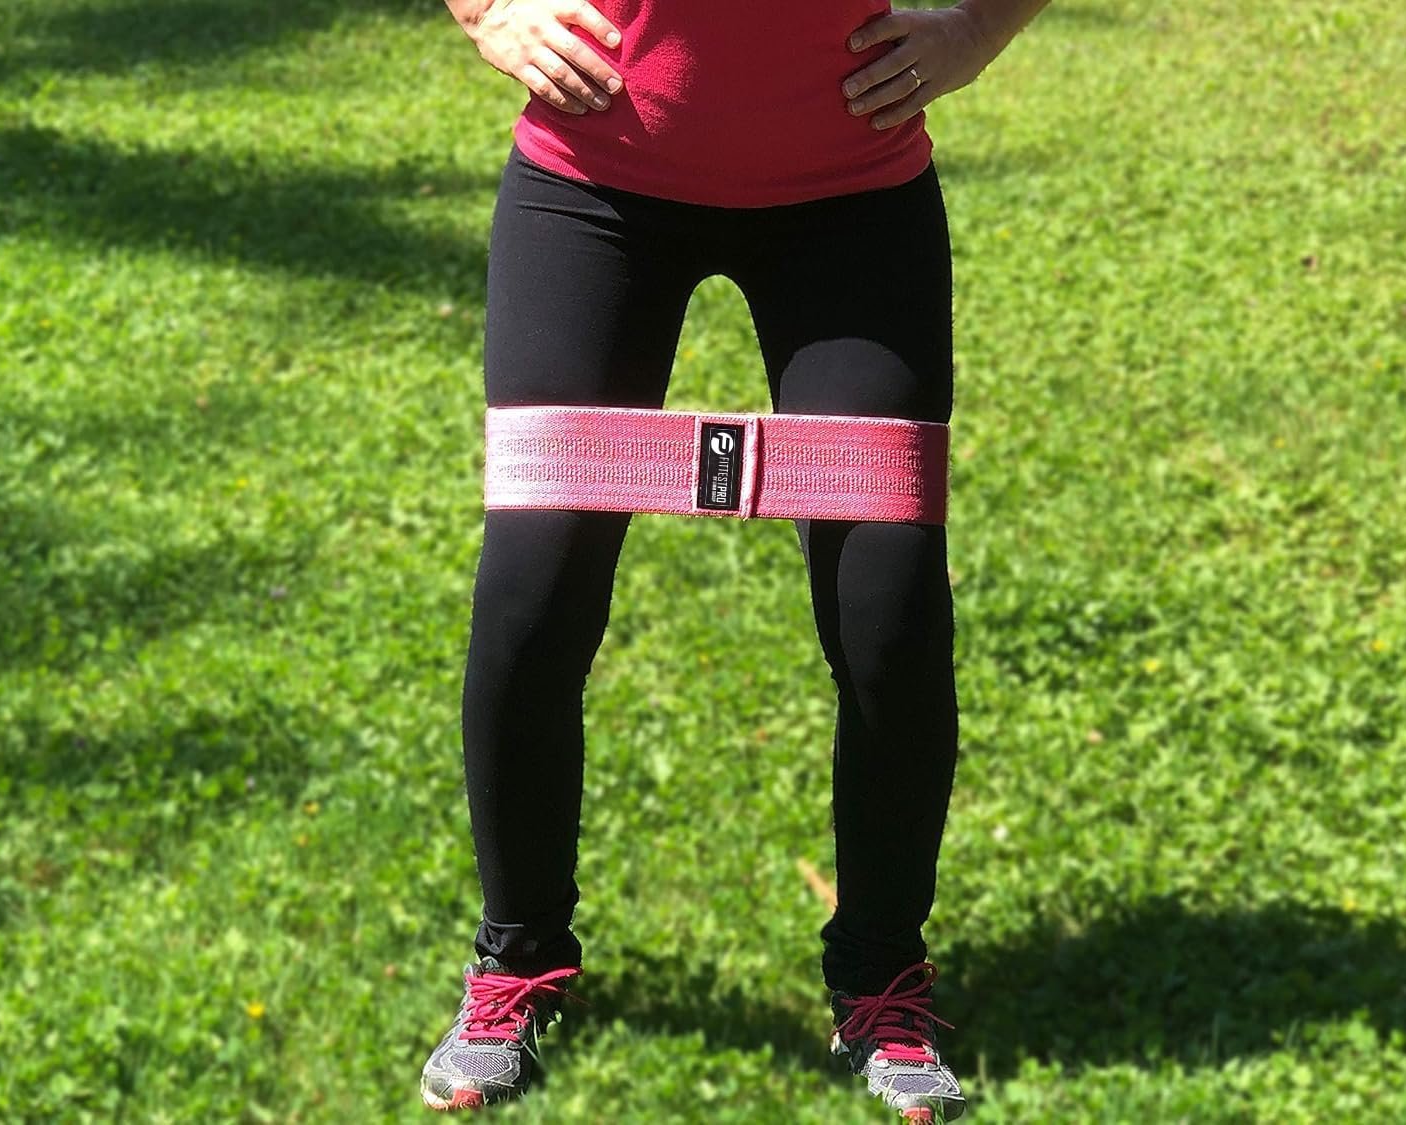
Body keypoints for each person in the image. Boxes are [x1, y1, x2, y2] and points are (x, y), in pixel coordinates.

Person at [422, 1, 1050, 1118]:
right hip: (591, 183)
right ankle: (518, 959)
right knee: (534, 583)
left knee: (887, 602)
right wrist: (489, 10)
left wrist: (974, 31)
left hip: (852, 199)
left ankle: (882, 981)